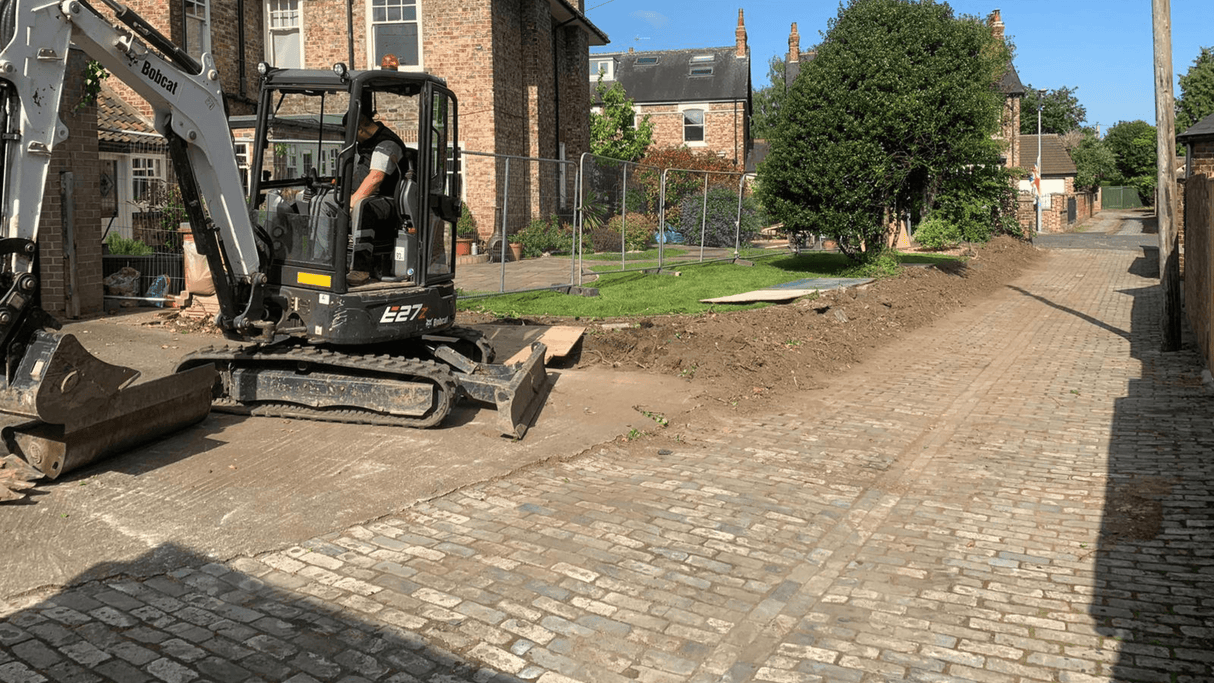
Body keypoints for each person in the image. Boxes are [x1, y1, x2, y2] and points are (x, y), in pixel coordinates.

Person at [349, 110, 408, 278]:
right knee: (324, 201)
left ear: (360, 129)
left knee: (362, 206)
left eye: (351, 134)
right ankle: (324, 258)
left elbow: (375, 178)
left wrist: (351, 202)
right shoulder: (365, 144)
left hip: (387, 200)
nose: (352, 140)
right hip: (366, 195)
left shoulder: (386, 144)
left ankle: (360, 269)